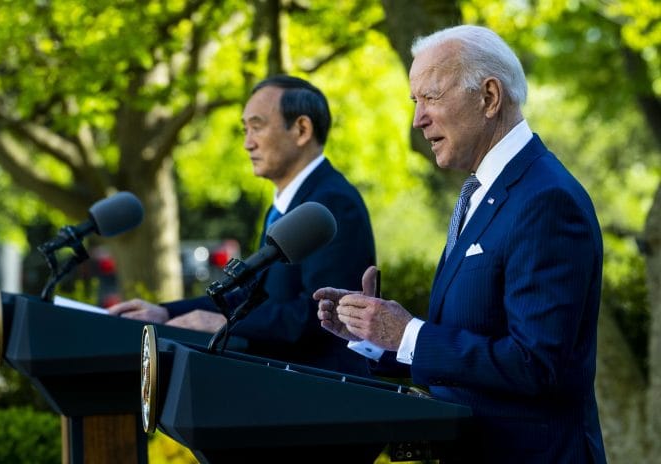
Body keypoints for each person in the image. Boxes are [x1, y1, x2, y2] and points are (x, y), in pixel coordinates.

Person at [313, 25, 607, 463]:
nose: (417, 119)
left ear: (489, 97)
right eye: (415, 102)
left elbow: (536, 364)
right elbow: (470, 342)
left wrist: (408, 333)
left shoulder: (546, 200)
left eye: (430, 97)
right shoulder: (482, 191)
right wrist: (377, 336)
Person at [109, 75, 376, 378]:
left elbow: (320, 316)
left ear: (302, 129)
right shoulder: (283, 206)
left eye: (257, 127)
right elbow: (251, 299)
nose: (248, 143)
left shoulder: (331, 204)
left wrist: (227, 324)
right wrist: (166, 312)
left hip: (322, 389)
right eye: (244, 129)